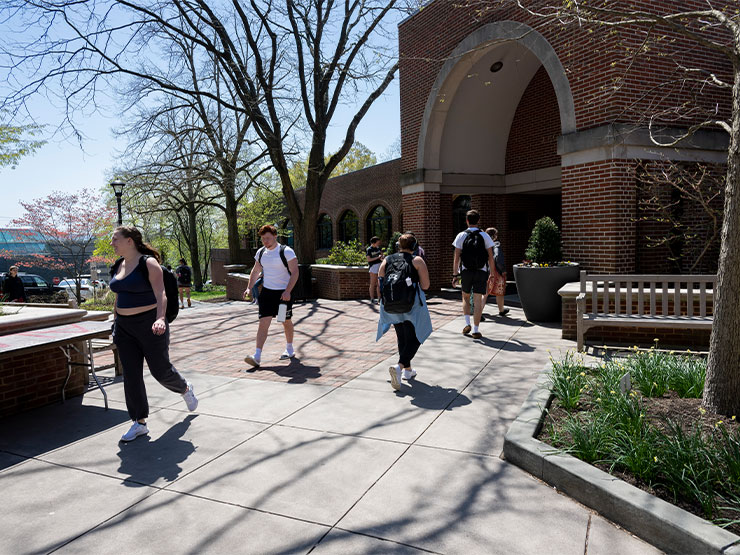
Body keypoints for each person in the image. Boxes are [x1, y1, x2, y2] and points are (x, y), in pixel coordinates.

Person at [109, 226, 198, 443]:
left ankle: (184, 388)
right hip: (124, 327)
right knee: (131, 375)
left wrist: (160, 318)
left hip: (149, 323)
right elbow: (119, 296)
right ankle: (139, 422)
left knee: (160, 370)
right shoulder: (118, 265)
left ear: (130, 241)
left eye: (115, 239)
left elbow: (161, 293)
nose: (112, 243)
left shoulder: (147, 263)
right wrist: (115, 320)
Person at [377, 233, 432, 391]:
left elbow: (381, 277)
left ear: (398, 246)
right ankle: (400, 366)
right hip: (412, 304)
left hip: (391, 304)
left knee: (402, 337)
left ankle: (407, 371)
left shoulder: (387, 259)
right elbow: (426, 285)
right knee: (416, 337)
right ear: (414, 246)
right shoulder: (417, 260)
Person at [243, 224, 300, 367]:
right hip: (267, 293)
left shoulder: (286, 251)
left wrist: (287, 291)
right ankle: (257, 355)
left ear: (275, 236)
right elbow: (255, 271)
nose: (265, 241)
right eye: (263, 239)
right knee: (263, 323)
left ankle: (289, 348)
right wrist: (249, 288)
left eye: (268, 238)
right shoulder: (261, 253)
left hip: (283, 294)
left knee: (284, 320)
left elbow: (295, 272)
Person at [452, 209, 495, 339]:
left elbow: (456, 257)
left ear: (467, 221)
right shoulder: (485, 236)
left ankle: (467, 323)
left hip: (466, 271)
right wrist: (492, 274)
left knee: (465, 297)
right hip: (481, 271)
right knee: (477, 301)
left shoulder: (461, 236)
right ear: (478, 220)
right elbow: (491, 257)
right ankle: (476, 330)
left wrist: (455, 275)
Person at [484, 227, 510, 317]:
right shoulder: (496, 245)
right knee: (500, 291)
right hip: (495, 271)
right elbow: (498, 258)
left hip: (484, 270)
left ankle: (479, 311)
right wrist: (503, 270)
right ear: (494, 236)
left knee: (485, 292)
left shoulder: (483, 244)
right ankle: (501, 310)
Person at [366, 236, 384, 304]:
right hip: (373, 267)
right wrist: (377, 257)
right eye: (377, 242)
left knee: (379, 283)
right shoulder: (369, 249)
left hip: (379, 266)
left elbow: (381, 256)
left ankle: (379, 298)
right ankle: (372, 298)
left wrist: (382, 257)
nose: (378, 244)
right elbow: (368, 259)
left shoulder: (378, 248)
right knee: (373, 283)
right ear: (374, 243)